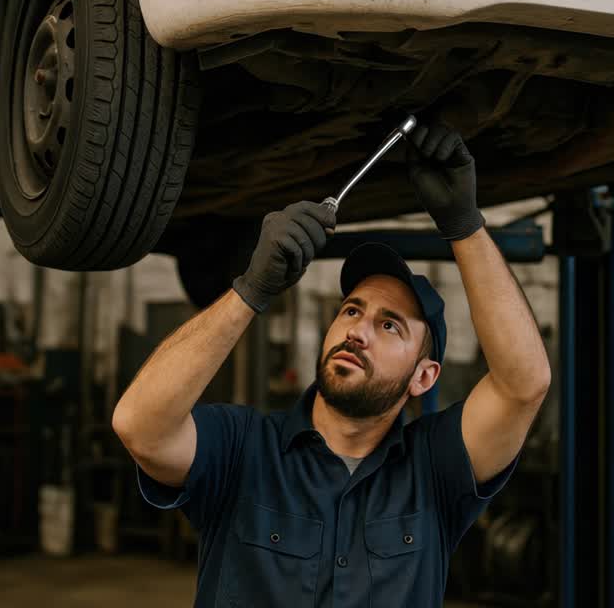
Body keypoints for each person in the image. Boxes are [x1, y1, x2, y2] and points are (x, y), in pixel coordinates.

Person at [112, 122, 552, 608]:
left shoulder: (435, 470)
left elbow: (524, 383)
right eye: (351, 310)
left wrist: (464, 225)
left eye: (390, 326)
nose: (357, 331)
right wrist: (250, 291)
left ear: (424, 377)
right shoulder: (244, 450)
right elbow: (139, 425)